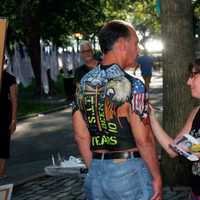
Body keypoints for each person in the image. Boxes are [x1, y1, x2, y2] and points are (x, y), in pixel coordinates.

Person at [72, 20, 162, 200]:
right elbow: (143, 139)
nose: (138, 50)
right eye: (136, 44)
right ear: (122, 44)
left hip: (96, 174)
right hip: (129, 174)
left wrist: (97, 168)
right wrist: (156, 177)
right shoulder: (133, 85)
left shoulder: (83, 84)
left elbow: (81, 135)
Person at [149, 58, 200, 200]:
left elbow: (190, 149)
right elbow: (173, 149)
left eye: (193, 76)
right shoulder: (196, 112)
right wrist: (152, 118)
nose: (188, 82)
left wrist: (189, 147)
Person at [0, 60, 17, 178]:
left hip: (5, 115)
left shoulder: (10, 78)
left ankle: (1, 171)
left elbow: (14, 99)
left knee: (3, 143)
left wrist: (13, 119)